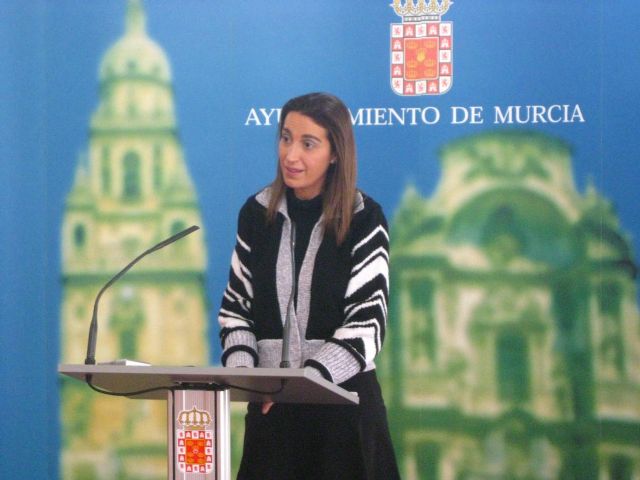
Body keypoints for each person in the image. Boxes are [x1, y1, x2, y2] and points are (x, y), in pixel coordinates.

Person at [218, 92, 400, 480]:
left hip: (344, 413)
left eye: (308, 143)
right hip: (271, 411)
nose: (291, 154)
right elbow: (236, 313)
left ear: (335, 153)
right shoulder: (255, 214)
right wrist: (250, 381)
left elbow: (367, 324)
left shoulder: (364, 218)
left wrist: (305, 383)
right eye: (286, 138)